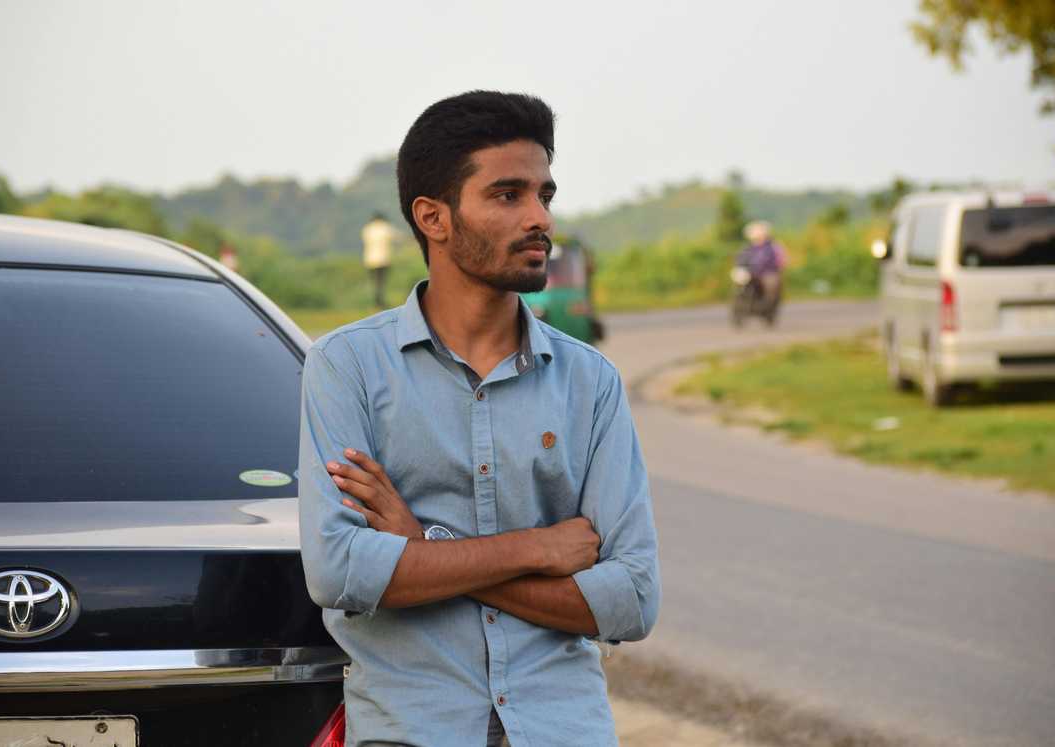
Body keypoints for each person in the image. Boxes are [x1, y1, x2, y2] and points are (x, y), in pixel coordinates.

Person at [298, 91, 660, 747]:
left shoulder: (590, 382)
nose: (540, 218)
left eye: (544, 195)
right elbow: (341, 572)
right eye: (507, 195)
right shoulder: (346, 367)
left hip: (563, 730)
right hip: (411, 730)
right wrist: (538, 548)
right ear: (433, 218)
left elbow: (631, 600)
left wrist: (422, 550)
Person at [737, 220, 786, 307]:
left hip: (768, 273)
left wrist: (778, 268)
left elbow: (781, 260)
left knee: (772, 284)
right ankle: (741, 301)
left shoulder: (773, 246)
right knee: (739, 282)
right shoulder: (747, 247)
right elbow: (740, 259)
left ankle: (769, 304)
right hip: (750, 273)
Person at [361, 211, 395, 307]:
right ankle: (380, 302)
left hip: (370, 260)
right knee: (381, 282)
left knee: (375, 283)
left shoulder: (367, 229)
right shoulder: (385, 228)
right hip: (383, 260)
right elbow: (395, 237)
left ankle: (377, 301)